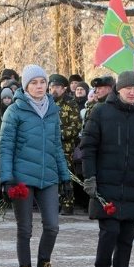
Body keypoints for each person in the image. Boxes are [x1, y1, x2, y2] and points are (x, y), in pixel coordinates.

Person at [0, 64, 72, 267]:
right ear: (25, 86)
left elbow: (57, 147)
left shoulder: (53, 110)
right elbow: (5, 147)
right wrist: (6, 178)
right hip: (22, 178)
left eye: (42, 82)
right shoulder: (15, 111)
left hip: (48, 176)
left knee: (52, 226)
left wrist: (65, 176)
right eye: (34, 83)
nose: (39, 87)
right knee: (25, 230)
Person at [80, 71, 134, 267]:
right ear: (118, 89)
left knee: (127, 236)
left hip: (132, 185)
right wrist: (90, 177)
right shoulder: (101, 112)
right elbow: (87, 148)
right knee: (110, 231)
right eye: (128, 88)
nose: (132, 92)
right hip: (106, 184)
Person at [48, 74, 81, 215]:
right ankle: (53, 203)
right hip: (49, 146)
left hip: (65, 146)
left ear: (63, 89)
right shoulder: (46, 103)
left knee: (66, 175)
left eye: (56, 87)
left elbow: (76, 125)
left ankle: (68, 204)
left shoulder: (70, 103)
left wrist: (60, 134)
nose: (53, 90)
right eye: (51, 87)